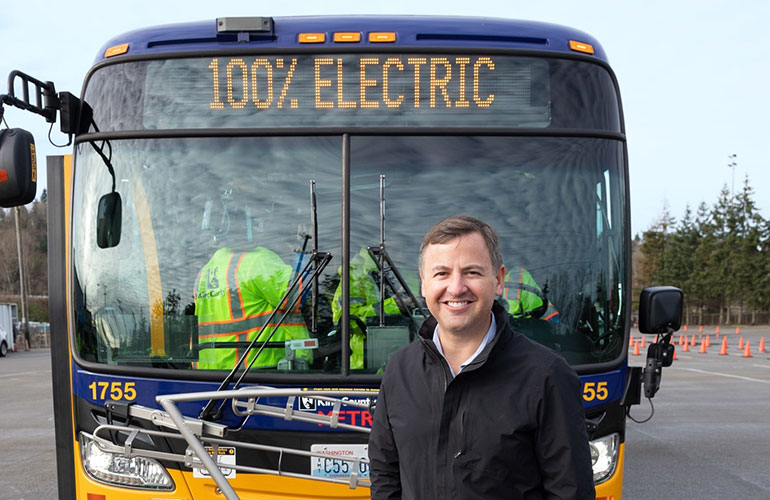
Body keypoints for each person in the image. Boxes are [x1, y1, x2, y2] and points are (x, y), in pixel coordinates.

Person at [368, 215, 595, 500]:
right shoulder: (400, 369)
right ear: (424, 284)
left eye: (472, 272)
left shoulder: (547, 376)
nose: (456, 287)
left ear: (498, 280)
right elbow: (385, 473)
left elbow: (570, 492)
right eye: (442, 274)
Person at [194, 245, 312, 370]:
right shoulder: (257, 261)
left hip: (209, 376)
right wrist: (303, 256)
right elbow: (299, 295)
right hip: (263, 370)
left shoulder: (204, 272)